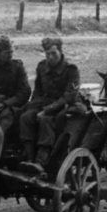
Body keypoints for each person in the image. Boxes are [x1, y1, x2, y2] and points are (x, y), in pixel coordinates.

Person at [19, 37, 87, 172]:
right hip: (45, 104)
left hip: (65, 106)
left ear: (61, 52)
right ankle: (29, 158)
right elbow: (38, 91)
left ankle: (41, 161)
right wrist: (32, 106)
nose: (50, 57)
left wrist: (46, 110)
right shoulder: (42, 67)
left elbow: (69, 96)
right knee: (25, 117)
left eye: (53, 54)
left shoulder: (71, 70)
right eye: (47, 54)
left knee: (46, 120)